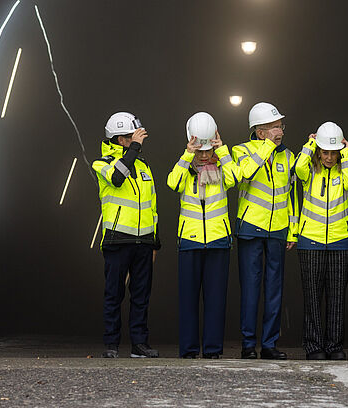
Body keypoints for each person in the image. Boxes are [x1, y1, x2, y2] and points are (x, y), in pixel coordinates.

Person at [167, 112, 241, 359]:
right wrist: (187, 155)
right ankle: (188, 351)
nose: (204, 154)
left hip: (219, 241)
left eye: (207, 150)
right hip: (189, 241)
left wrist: (224, 152)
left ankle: (212, 350)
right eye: (200, 150)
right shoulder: (184, 168)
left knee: (215, 300)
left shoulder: (221, 167)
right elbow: (172, 183)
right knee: (188, 301)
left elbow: (236, 178)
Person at [231, 102, 297, 360]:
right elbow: (245, 173)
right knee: (250, 288)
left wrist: (292, 231)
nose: (279, 130)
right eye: (273, 126)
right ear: (259, 132)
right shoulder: (242, 151)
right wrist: (267, 147)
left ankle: (269, 343)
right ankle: (248, 344)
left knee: (274, 289)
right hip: (251, 228)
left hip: (278, 230)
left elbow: (291, 195)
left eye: (280, 125)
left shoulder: (288, 156)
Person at [92, 111, 160, 359]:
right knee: (114, 294)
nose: (138, 139)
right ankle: (111, 344)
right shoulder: (102, 163)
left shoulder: (144, 166)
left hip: (143, 241)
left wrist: (155, 243)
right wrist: (134, 149)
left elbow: (152, 206)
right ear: (121, 139)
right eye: (132, 136)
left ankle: (139, 344)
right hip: (117, 239)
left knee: (141, 296)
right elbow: (117, 178)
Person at [293, 122, 348, 360]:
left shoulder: (345, 171)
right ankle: (314, 347)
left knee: (336, 297)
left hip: (341, 241)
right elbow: (298, 166)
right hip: (309, 241)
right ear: (318, 151)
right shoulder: (309, 171)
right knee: (312, 296)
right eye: (325, 152)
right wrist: (310, 143)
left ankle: (334, 346)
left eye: (334, 152)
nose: (330, 157)